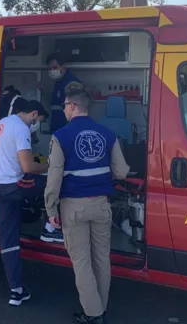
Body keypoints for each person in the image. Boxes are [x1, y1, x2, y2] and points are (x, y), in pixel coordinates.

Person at [43, 89, 130, 324]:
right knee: (102, 258)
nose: (62, 110)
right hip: (102, 205)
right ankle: (100, 307)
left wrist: (51, 209)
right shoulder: (107, 133)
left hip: (74, 207)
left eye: (64, 106)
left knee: (81, 262)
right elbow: (122, 171)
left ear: (72, 106)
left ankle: (93, 314)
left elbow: (54, 177)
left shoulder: (61, 136)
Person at [0, 98, 56, 306]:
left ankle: (16, 291)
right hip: (13, 186)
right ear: (34, 114)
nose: (36, 125)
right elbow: (27, 167)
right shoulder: (22, 129)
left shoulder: (3, 123)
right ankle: (50, 227)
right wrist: (52, 166)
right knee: (55, 182)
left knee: (8, 239)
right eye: (39, 120)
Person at [42, 52, 85, 133]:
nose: (52, 71)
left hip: (68, 127)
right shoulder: (58, 82)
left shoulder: (72, 83)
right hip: (57, 125)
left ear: (63, 66)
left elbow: (77, 108)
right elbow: (55, 103)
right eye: (49, 69)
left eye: (55, 67)